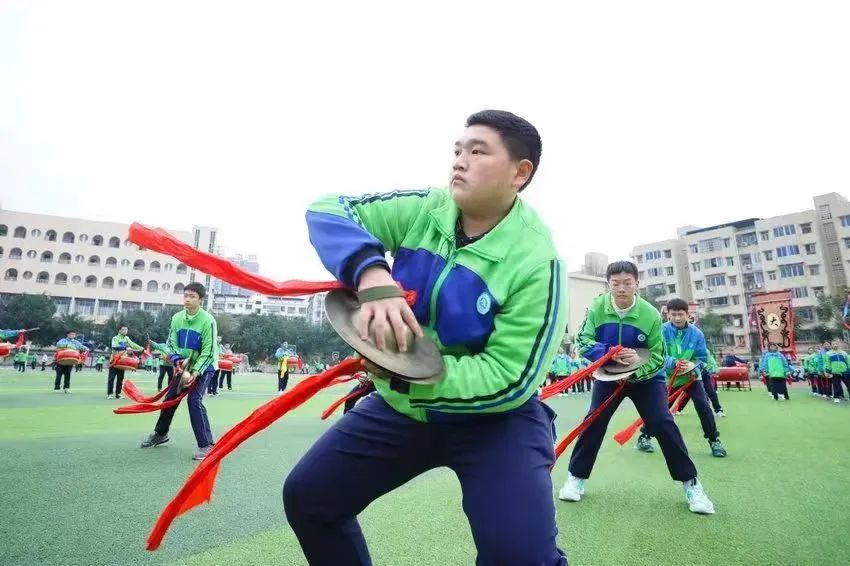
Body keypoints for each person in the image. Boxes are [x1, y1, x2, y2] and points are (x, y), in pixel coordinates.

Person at [284, 110, 569, 564]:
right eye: (458, 150)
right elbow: (327, 209)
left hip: (497, 422)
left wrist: (404, 373)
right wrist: (373, 274)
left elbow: (510, 377)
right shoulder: (425, 208)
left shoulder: (539, 260)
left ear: (520, 172)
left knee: (519, 556)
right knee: (309, 498)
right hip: (403, 409)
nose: (460, 160)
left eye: (478, 151)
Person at [558, 261, 715, 514]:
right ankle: (576, 478)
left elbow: (658, 356)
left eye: (627, 283)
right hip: (609, 376)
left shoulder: (650, 314)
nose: (621, 288)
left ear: (637, 284)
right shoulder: (597, 307)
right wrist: (610, 353)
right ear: (608, 285)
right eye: (616, 283)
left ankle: (691, 484)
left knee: (663, 422)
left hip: (647, 379)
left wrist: (634, 368)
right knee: (593, 421)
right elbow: (584, 342)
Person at [635, 298, 726, 458]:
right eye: (673, 314)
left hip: (690, 378)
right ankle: (645, 436)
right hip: (666, 378)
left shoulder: (697, 334)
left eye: (681, 314)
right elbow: (656, 354)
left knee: (704, 407)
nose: (677, 318)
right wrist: (674, 363)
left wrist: (694, 369)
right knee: (659, 410)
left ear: (687, 315)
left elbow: (702, 358)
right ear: (668, 315)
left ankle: (714, 440)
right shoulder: (661, 331)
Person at [140, 282, 217, 460]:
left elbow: (209, 350)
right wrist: (176, 360)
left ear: (201, 300)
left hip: (204, 367)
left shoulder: (208, 321)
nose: (188, 299)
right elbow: (171, 343)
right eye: (186, 296)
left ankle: (206, 445)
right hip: (183, 365)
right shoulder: (177, 318)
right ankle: (161, 434)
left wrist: (196, 372)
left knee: (194, 400)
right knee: (170, 399)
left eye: (192, 296)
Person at [107, 325, 144, 399]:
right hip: (114, 361)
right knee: (111, 378)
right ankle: (110, 394)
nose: (125, 331)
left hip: (122, 362)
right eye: (123, 329)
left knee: (120, 379)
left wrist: (141, 348)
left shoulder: (127, 338)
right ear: (119, 330)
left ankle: (118, 394)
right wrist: (125, 348)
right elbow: (114, 346)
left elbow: (133, 345)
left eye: (126, 330)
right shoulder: (115, 338)